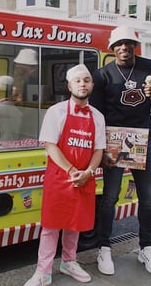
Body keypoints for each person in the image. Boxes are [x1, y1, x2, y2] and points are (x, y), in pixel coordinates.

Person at [89, 25, 151, 276]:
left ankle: (145, 247)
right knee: (110, 197)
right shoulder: (103, 74)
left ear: (135, 45)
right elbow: (97, 116)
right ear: (112, 48)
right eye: (118, 45)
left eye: (128, 43)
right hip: (114, 141)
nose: (123, 48)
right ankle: (104, 248)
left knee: (147, 197)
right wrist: (101, 150)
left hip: (143, 141)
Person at [23, 64, 106, 286]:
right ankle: (43, 271)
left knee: (75, 224)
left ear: (92, 85)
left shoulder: (98, 116)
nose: (82, 84)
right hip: (60, 177)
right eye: (78, 80)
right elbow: (50, 146)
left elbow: (99, 150)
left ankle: (69, 262)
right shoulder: (56, 111)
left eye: (87, 80)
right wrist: (72, 171)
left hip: (85, 177)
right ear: (69, 85)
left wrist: (88, 172)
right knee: (51, 226)